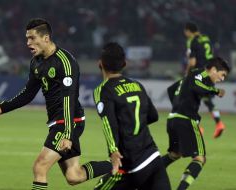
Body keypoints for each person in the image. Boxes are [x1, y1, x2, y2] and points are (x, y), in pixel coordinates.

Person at [0, 18, 111, 190]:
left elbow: (69, 97)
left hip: (69, 121)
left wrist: (68, 133)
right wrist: (3, 107)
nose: (28, 43)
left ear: (46, 38)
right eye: (27, 38)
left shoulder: (65, 62)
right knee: (74, 176)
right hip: (58, 122)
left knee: (40, 167)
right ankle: (118, 165)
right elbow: (28, 93)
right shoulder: (36, 62)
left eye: (32, 38)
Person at [92, 42, 171, 190]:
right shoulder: (137, 85)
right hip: (154, 158)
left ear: (100, 64)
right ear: (125, 64)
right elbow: (153, 116)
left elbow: (109, 124)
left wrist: (113, 151)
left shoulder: (103, 90)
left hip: (131, 163)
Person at [162, 57, 230, 190]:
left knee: (175, 154)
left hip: (173, 119)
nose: (222, 79)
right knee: (200, 158)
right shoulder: (199, 74)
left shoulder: (190, 77)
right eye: (222, 75)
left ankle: (144, 175)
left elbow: (171, 90)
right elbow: (196, 86)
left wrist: (178, 107)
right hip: (186, 120)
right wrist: (215, 91)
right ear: (214, 69)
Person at [184, 21, 225, 138]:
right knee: (207, 100)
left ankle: (198, 128)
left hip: (200, 73)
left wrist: (187, 73)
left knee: (188, 99)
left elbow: (192, 62)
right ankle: (219, 123)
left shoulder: (192, 41)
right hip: (212, 72)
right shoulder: (206, 38)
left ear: (188, 31)